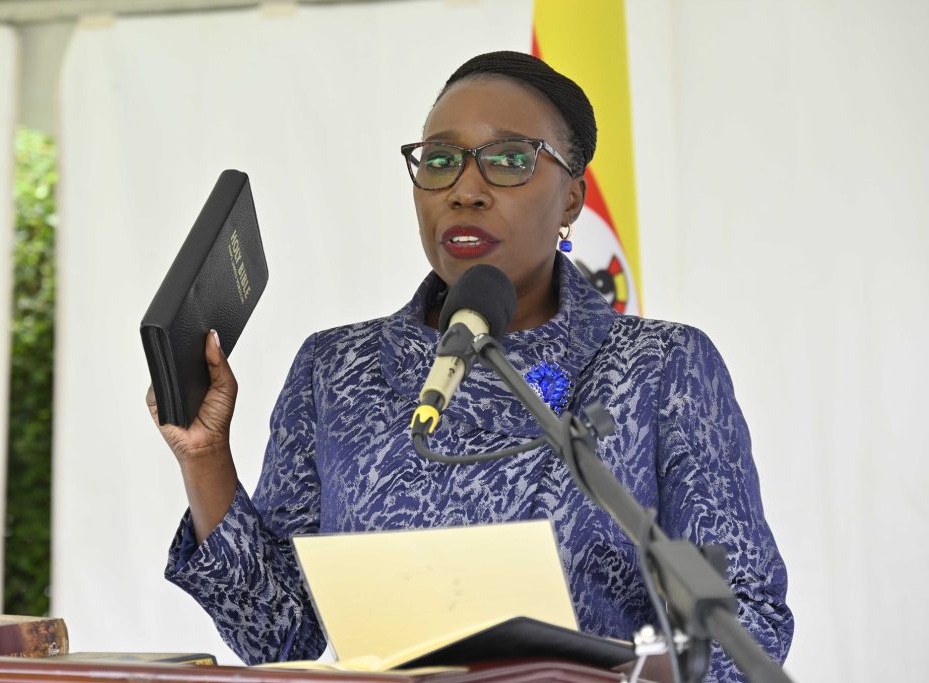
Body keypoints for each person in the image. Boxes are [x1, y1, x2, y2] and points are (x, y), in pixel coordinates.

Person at [147, 51, 793, 681]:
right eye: (441, 160)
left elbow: (745, 620)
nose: (466, 190)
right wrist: (206, 460)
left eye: (510, 160)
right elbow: (278, 633)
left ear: (572, 198)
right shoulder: (337, 367)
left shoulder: (658, 366)